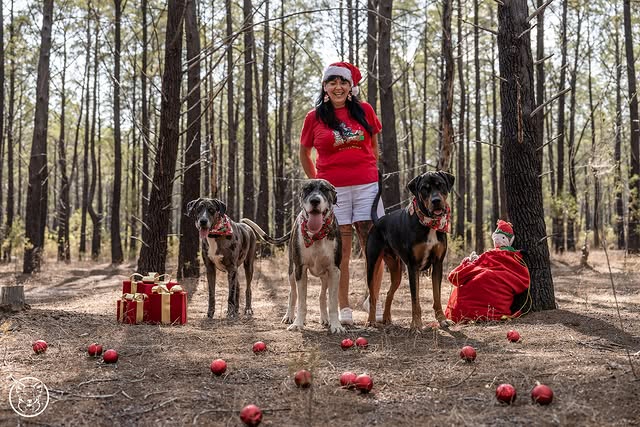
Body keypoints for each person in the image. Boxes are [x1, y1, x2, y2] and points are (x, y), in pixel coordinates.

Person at [299, 62, 384, 325]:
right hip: (334, 194)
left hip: (367, 188)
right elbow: (304, 152)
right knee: (342, 251)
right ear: (325, 87)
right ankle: (344, 307)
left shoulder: (365, 111)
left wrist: (369, 170)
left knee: (374, 248)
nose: (338, 87)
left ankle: (373, 301)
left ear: (350, 87)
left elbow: (373, 145)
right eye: (332, 82)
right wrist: (318, 183)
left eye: (343, 82)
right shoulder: (314, 117)